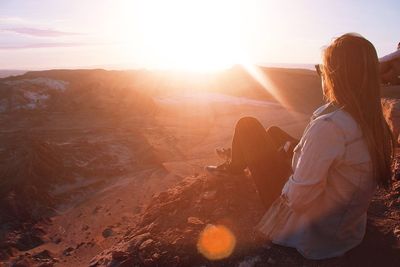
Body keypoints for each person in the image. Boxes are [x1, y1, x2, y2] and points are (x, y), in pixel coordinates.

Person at [206, 33, 394, 260]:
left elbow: (298, 199)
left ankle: (234, 167)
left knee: (248, 126)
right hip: (347, 229)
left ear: (336, 76)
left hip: (316, 233)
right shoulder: (374, 120)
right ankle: (245, 159)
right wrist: (295, 155)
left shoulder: (330, 127)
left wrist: (289, 167)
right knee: (274, 131)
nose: (321, 75)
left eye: (322, 69)